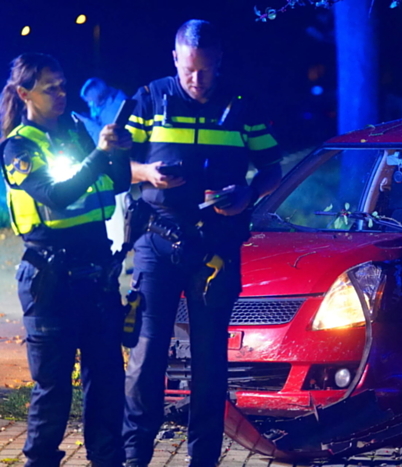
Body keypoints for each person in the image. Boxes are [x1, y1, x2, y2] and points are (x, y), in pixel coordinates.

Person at [123, 19, 282, 467]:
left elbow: (273, 167)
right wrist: (147, 174)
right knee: (148, 351)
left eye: (207, 71)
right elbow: (118, 164)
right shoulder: (150, 99)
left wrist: (249, 193)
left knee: (210, 356)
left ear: (220, 63)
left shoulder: (243, 105)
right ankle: (135, 457)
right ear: (174, 59)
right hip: (157, 240)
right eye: (190, 70)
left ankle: (203, 459)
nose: (198, 80)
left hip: (215, 247)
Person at [0, 53, 132, 467]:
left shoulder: (76, 127)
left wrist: (118, 152)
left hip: (97, 276)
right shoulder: (18, 146)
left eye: (62, 84)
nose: (61, 93)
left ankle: (106, 460)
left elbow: (116, 184)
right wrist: (99, 155)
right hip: (51, 279)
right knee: (54, 389)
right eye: (49, 87)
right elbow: (55, 194)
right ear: (24, 94)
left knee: (107, 381)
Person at [77, 78, 130, 253]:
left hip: (119, 161)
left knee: (118, 210)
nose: (89, 103)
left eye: (90, 98)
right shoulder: (99, 105)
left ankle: (119, 250)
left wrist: (89, 124)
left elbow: (110, 132)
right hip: (105, 160)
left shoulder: (117, 103)